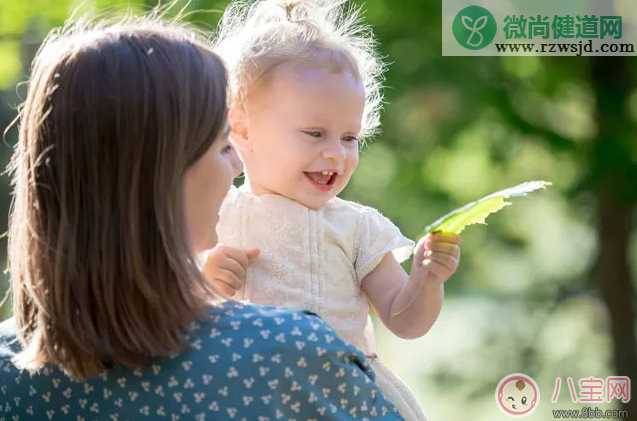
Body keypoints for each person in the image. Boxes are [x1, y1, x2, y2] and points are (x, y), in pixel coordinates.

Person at [0, 13, 405, 420]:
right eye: (223, 145)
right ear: (161, 173)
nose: (235, 166)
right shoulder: (290, 356)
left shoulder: (8, 373)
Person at [203, 1, 462, 420]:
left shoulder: (358, 228)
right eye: (314, 133)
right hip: (251, 399)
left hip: (344, 399)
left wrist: (427, 280)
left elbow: (405, 321)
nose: (335, 153)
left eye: (349, 137)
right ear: (243, 127)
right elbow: (173, 319)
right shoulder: (216, 216)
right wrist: (207, 283)